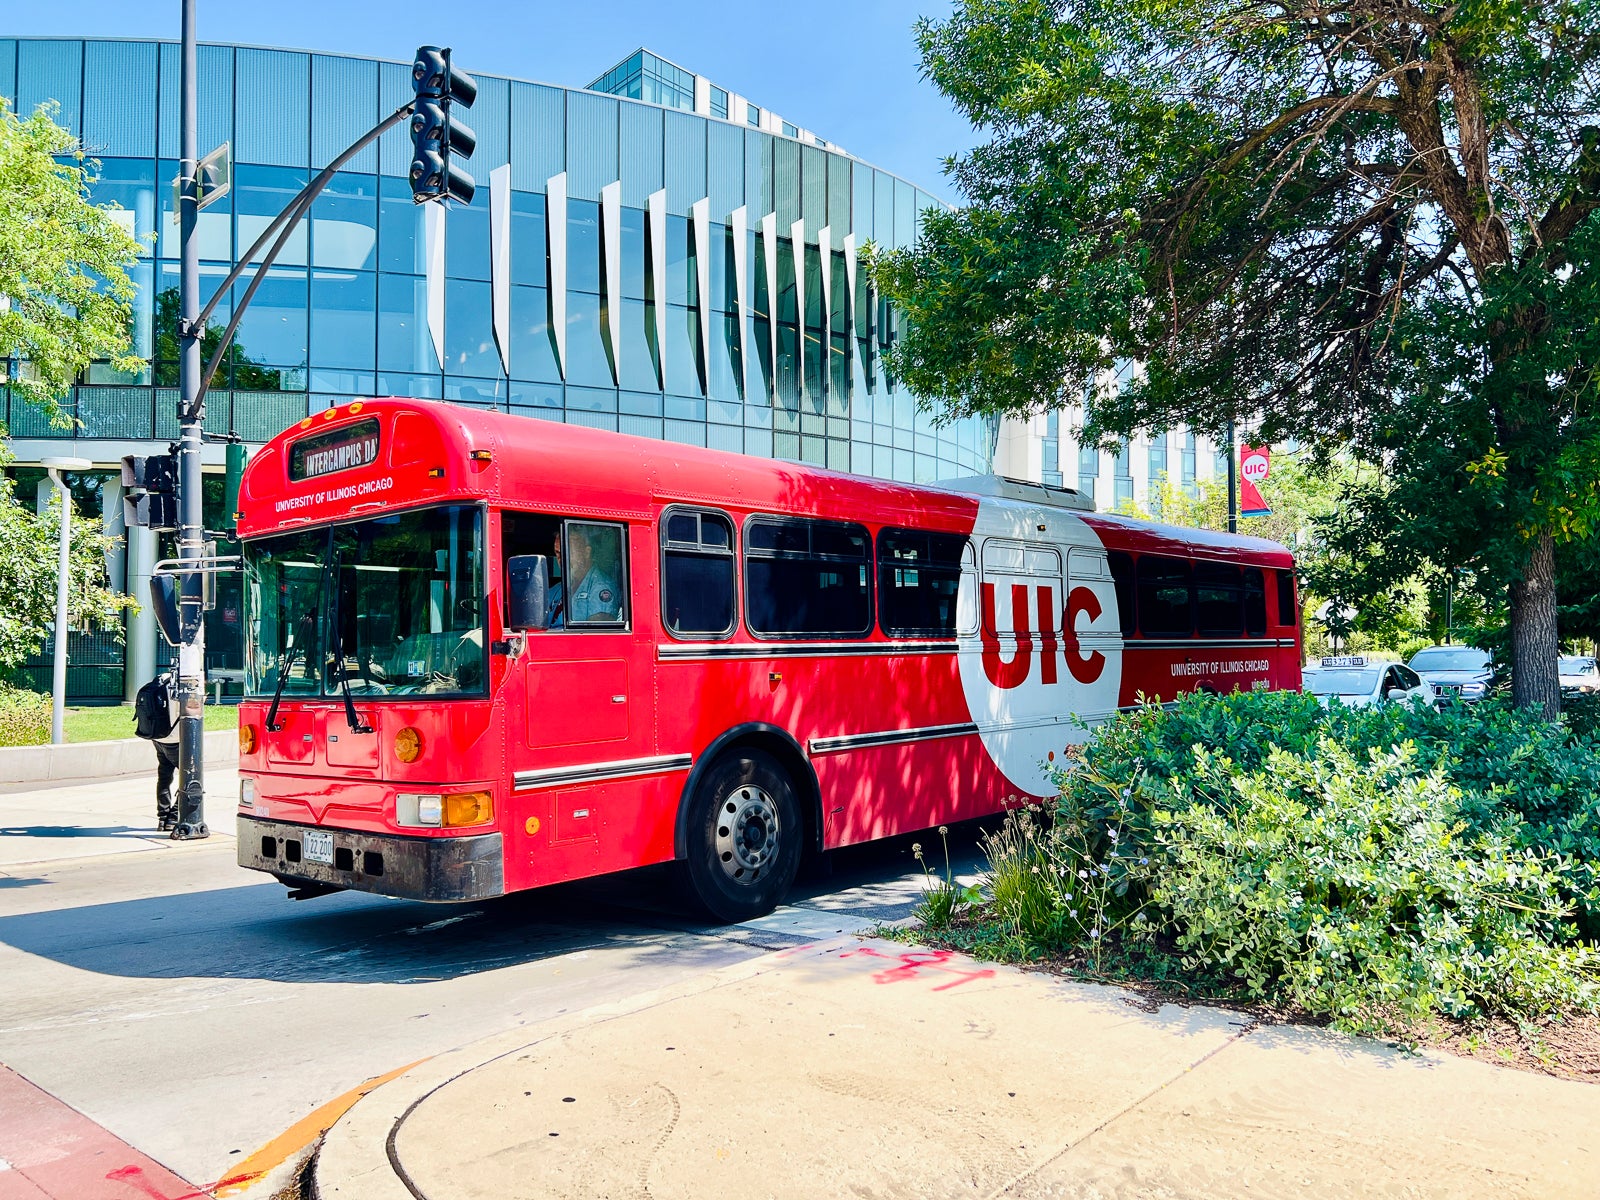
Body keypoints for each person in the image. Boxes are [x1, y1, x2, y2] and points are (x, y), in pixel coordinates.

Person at [549, 526, 621, 627]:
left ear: (586, 552)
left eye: (568, 552)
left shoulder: (600, 586)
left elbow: (597, 634)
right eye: (558, 553)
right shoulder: (558, 589)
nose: (561, 559)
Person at [152, 668, 181, 831]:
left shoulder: (160, 679)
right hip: (175, 739)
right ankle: (174, 816)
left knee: (164, 777)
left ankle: (163, 817)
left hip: (158, 737)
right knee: (191, 778)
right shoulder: (184, 683)